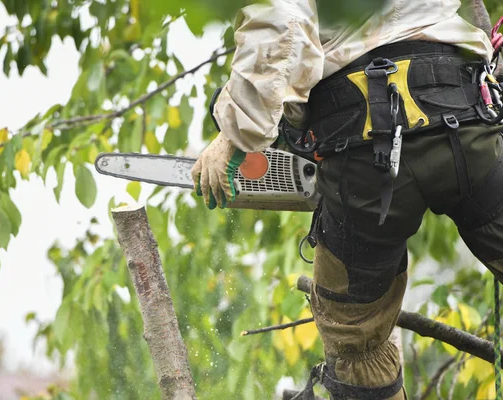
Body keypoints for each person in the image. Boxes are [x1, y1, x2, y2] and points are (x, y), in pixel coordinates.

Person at [191, 1, 502, 398]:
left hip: (362, 154)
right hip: (466, 123)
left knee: (357, 344)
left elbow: (280, 21)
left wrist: (236, 134)